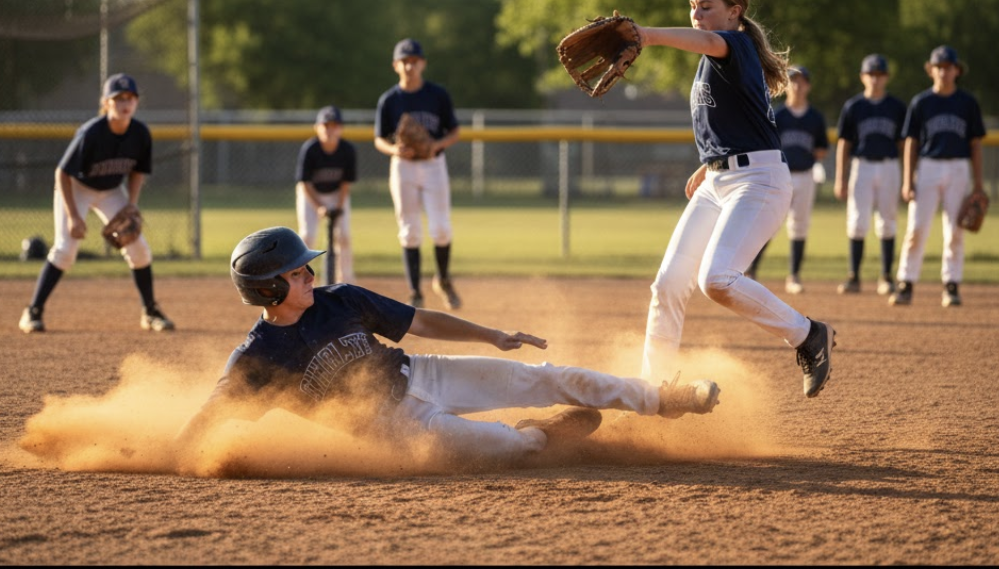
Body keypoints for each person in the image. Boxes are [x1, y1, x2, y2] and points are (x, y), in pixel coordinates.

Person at [171, 226, 721, 468]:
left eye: (308, 266)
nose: (311, 274)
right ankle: (546, 434)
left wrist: (491, 335)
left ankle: (662, 398)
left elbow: (422, 322)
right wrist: (169, 458)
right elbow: (211, 416)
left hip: (422, 372)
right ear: (268, 289)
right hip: (395, 430)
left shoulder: (340, 299)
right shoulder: (259, 356)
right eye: (298, 272)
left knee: (551, 373)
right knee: (511, 448)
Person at [632, 0, 836, 399]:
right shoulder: (716, 61)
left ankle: (807, 334)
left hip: (758, 182)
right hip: (720, 179)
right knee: (668, 284)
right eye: (692, 6)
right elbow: (736, 120)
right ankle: (654, 390)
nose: (696, 14)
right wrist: (711, 162)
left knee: (717, 279)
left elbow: (708, 41)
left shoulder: (735, 44)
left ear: (734, 11)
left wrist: (645, 34)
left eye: (706, 6)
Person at [17, 73, 175, 334]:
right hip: (76, 189)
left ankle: (150, 311)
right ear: (106, 103)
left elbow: (138, 172)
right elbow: (62, 174)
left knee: (139, 250)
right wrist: (74, 217)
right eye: (118, 98)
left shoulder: (140, 133)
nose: (125, 103)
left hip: (112, 190)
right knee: (65, 250)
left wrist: (131, 204)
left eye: (131, 97)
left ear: (136, 102)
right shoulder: (91, 133)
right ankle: (32, 311)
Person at [889, 46, 986, 308]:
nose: (943, 71)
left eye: (948, 67)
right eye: (939, 67)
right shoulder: (921, 102)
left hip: (958, 167)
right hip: (928, 167)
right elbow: (911, 143)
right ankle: (906, 282)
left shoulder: (967, 103)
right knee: (917, 227)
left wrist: (978, 183)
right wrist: (908, 180)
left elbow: (976, 144)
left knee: (955, 229)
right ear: (931, 70)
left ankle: (951, 285)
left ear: (957, 70)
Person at [374, 38, 462, 311]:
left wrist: (436, 144)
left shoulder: (437, 95)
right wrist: (394, 149)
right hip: (404, 167)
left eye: (414, 60)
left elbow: (454, 131)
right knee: (410, 231)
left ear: (422, 63)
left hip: (434, 164)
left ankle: (443, 280)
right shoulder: (390, 100)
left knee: (441, 228)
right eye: (404, 61)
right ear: (395, 65)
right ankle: (415, 292)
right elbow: (378, 139)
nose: (410, 65)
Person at [745, 65, 829, 293]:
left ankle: (794, 276)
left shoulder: (815, 117)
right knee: (769, 224)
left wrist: (808, 153)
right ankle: (750, 271)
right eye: (793, 80)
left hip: (806, 176)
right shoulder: (778, 115)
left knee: (799, 227)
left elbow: (822, 148)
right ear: (786, 84)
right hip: (780, 175)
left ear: (808, 86)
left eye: (802, 81)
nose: (797, 85)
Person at [834, 54, 907, 296]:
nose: (875, 79)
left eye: (879, 74)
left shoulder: (896, 107)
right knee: (857, 221)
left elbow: (903, 144)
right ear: (863, 77)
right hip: (861, 165)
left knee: (888, 221)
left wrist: (907, 175)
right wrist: (840, 178)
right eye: (871, 74)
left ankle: (886, 276)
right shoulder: (854, 106)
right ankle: (854, 276)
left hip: (889, 165)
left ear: (886, 77)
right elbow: (844, 144)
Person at [296, 105, 357, 285]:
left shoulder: (347, 150)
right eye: (325, 125)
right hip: (311, 195)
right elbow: (304, 183)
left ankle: (345, 282)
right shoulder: (310, 149)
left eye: (334, 125)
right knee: (307, 236)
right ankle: (301, 282)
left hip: (337, 195)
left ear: (341, 128)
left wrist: (338, 206)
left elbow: (346, 183)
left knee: (343, 236)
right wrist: (318, 207)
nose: (330, 130)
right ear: (317, 128)